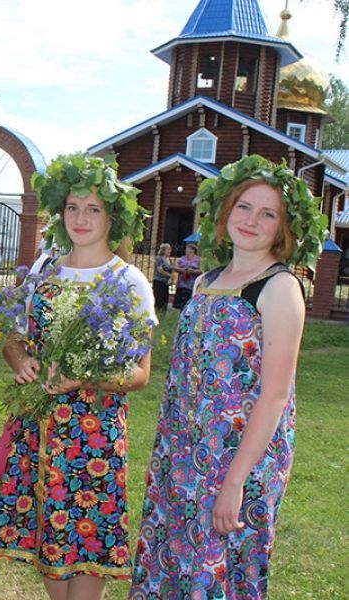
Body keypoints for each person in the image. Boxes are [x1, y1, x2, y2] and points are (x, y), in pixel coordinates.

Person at [131, 155, 325, 599]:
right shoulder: (206, 282)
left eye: (268, 213)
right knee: (172, 561)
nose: (252, 220)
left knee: (216, 569)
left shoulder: (279, 288)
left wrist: (235, 480)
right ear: (226, 211)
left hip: (238, 459)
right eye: (244, 207)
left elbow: (275, 397)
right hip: (182, 450)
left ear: (284, 228)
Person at [0, 154, 156, 600]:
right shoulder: (45, 270)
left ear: (112, 216)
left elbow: (140, 374)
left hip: (93, 438)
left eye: (94, 209)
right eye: (73, 208)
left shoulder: (128, 280)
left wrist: (84, 379)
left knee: (87, 540)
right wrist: (19, 359)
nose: (81, 218)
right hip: (38, 434)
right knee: (47, 543)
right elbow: (13, 337)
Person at [172, 243, 201, 309]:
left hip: (192, 285)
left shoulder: (198, 260)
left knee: (190, 304)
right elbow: (175, 267)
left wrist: (192, 271)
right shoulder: (182, 259)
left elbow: (201, 271)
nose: (186, 250)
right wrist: (183, 270)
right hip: (182, 284)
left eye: (188, 249)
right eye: (186, 249)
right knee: (181, 305)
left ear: (193, 250)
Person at [152, 242, 174, 313]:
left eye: (170, 249)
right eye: (168, 249)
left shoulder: (169, 260)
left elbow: (172, 269)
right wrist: (169, 275)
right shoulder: (159, 258)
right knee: (159, 299)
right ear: (164, 250)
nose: (170, 251)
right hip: (159, 281)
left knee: (165, 300)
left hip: (166, 282)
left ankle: (163, 314)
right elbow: (160, 270)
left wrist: (171, 277)